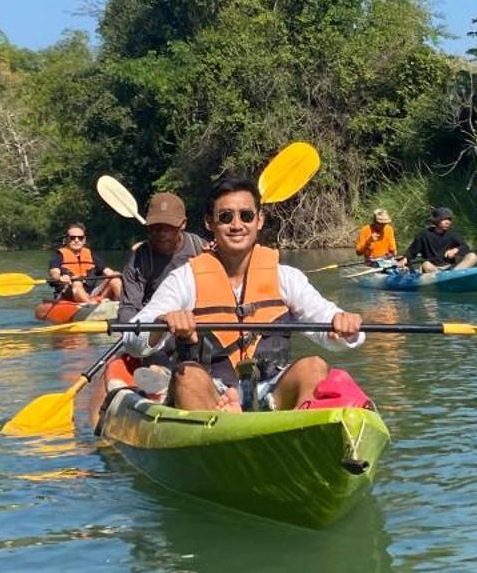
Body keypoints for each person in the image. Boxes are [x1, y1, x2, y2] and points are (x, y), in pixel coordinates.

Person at [134, 175, 364, 413]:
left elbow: (327, 321)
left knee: (314, 366)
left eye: (246, 216)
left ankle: (295, 431)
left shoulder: (286, 277)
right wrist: (159, 325)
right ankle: (221, 423)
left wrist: (342, 324)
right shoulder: (185, 279)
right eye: (225, 217)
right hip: (212, 390)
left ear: (259, 221)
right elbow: (133, 338)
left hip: (271, 389)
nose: (237, 225)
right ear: (209, 223)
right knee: (187, 376)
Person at [116, 192, 209, 324]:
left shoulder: (202, 249)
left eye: (168, 227)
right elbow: (129, 308)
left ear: (183, 224)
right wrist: (132, 333)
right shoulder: (139, 260)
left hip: (197, 324)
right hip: (156, 327)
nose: (161, 233)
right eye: (155, 227)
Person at [47, 224, 120, 303]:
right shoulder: (59, 256)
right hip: (70, 292)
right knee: (77, 282)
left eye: (80, 238)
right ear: (67, 239)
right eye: (72, 238)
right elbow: (54, 273)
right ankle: (91, 306)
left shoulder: (91, 255)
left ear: (84, 240)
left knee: (115, 277)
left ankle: (125, 306)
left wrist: (120, 276)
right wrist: (60, 278)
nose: (77, 240)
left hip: (90, 294)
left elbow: (109, 272)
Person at [405, 206, 477, 274]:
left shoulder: (452, 234)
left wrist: (455, 250)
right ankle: (445, 277)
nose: (448, 222)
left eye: (449, 219)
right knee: (426, 264)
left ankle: (452, 275)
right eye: (444, 219)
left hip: (451, 268)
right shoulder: (424, 234)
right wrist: (404, 260)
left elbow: (465, 247)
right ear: (436, 220)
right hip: (433, 269)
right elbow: (411, 253)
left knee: (473, 256)